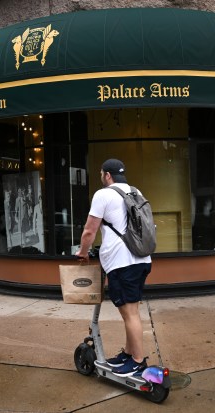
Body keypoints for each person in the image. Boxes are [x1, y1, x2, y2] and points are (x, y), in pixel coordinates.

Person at [75, 159, 152, 377]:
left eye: (101, 173)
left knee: (129, 314)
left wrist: (82, 252)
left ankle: (138, 362)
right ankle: (129, 353)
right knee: (133, 312)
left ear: (107, 175)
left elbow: (90, 231)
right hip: (142, 260)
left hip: (122, 263)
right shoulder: (135, 191)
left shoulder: (103, 194)